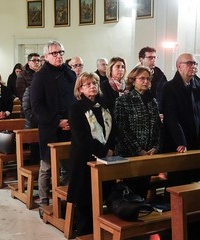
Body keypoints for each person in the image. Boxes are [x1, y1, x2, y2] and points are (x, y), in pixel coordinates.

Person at [67, 72, 116, 236]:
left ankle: (102, 233)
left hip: (106, 160)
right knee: (85, 201)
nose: (92, 86)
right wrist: (104, 151)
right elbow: (81, 137)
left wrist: (110, 150)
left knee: (105, 196)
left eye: (94, 83)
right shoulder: (76, 108)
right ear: (80, 89)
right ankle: (84, 234)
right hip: (83, 160)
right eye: (87, 84)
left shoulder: (105, 105)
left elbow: (113, 130)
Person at [30, 40, 76, 207]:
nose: (58, 56)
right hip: (50, 128)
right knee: (47, 167)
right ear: (46, 56)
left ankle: (65, 201)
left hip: (70, 128)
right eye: (54, 53)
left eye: (61, 52)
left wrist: (72, 120)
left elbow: (76, 98)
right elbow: (36, 106)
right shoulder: (40, 76)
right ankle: (44, 201)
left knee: (68, 166)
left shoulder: (70, 73)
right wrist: (57, 121)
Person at [114, 65, 161, 199]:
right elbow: (122, 130)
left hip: (149, 153)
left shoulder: (153, 101)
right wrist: (138, 150)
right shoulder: (123, 101)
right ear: (133, 80)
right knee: (131, 191)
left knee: (143, 189)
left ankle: (143, 211)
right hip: (130, 153)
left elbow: (157, 127)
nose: (146, 81)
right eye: (142, 78)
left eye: (148, 79)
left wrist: (155, 147)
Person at [162, 53, 200, 186]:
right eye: (189, 63)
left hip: (197, 140)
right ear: (179, 66)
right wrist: (181, 142)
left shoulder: (199, 85)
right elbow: (171, 118)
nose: (193, 66)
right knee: (180, 181)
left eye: (195, 63)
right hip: (179, 142)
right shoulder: (169, 87)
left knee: (196, 179)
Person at [138, 46, 167, 111]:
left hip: (158, 111)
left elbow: (165, 93)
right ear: (141, 59)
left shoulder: (160, 75)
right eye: (150, 57)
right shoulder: (135, 75)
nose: (153, 60)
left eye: (155, 57)